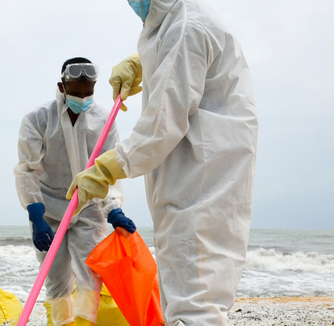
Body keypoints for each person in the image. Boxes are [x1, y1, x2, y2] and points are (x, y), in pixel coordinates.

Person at [64, 0, 259, 324]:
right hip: (190, 177)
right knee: (183, 296)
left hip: (201, 181)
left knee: (194, 305)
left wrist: (108, 167)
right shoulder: (175, 23)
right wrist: (143, 61)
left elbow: (163, 122)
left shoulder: (186, 29)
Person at [15, 57, 137, 326]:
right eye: (76, 92)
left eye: (88, 92)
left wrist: (113, 208)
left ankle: (84, 323)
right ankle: (60, 323)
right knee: (55, 276)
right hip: (49, 208)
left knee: (91, 273)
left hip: (89, 206)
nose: (82, 98)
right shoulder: (39, 119)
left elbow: (109, 168)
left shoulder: (105, 119)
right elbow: (27, 169)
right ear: (62, 86)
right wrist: (35, 212)